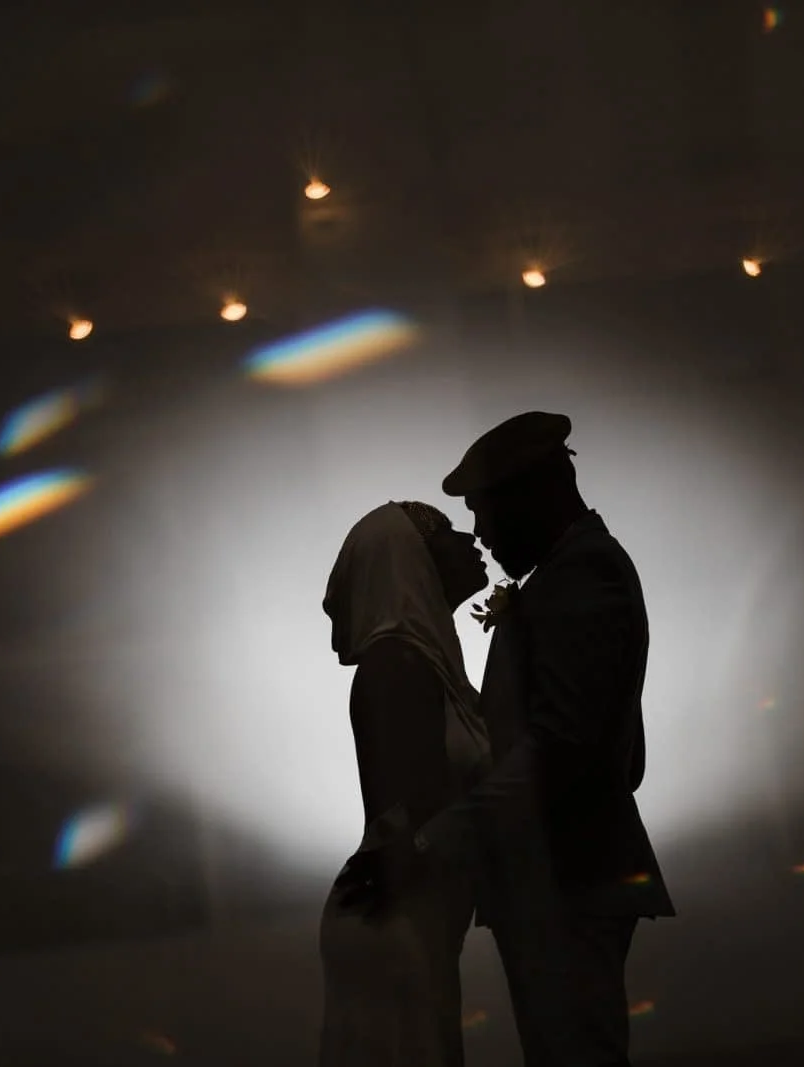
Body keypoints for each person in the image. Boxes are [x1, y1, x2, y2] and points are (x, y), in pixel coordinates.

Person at [338, 412, 675, 1067]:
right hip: (562, 876)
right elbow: (617, 754)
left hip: (566, 878)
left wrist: (430, 842)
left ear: (532, 494)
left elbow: (559, 751)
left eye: (484, 510)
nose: (480, 534)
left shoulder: (581, 577)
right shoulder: (569, 575)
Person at [317, 500, 493, 1067]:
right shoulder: (397, 664)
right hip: (394, 918)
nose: (466, 537)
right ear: (409, 560)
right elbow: (411, 816)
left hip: (412, 914)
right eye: (441, 529)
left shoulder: (422, 663)